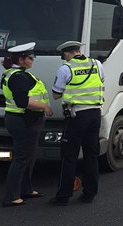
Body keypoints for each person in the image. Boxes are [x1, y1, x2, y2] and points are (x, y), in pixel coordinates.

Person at [49, 41, 104, 206]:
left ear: (66, 54)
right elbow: (100, 82)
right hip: (95, 114)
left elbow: (56, 95)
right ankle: (89, 194)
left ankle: (63, 196)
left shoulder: (66, 68)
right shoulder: (97, 64)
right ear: (79, 51)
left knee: (69, 156)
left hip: (77, 115)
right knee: (91, 155)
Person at [1, 42, 53, 207]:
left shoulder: (14, 74)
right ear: (21, 59)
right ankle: (11, 196)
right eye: (31, 57)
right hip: (23, 120)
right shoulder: (19, 77)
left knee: (28, 156)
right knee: (22, 158)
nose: (33, 60)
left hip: (22, 119)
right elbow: (22, 101)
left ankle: (26, 189)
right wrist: (45, 106)